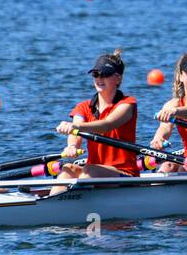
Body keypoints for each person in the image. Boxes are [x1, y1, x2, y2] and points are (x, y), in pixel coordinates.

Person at [50, 50, 138, 196]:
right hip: (94, 173)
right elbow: (76, 133)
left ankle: (73, 205)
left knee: (90, 170)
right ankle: (52, 206)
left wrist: (75, 127)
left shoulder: (127, 104)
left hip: (124, 174)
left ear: (118, 79)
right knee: (67, 169)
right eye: (96, 74)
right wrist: (72, 145)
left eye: (105, 74)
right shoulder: (83, 107)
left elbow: (107, 125)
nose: (99, 78)